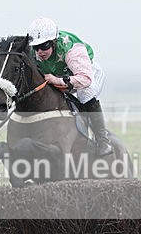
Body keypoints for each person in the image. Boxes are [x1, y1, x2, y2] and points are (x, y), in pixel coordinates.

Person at [27, 17, 114, 156]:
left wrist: (57, 80)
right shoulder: (34, 53)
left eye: (44, 46)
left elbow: (85, 79)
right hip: (61, 77)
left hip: (86, 76)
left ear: (54, 42)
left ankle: (103, 140)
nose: (40, 52)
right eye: (36, 47)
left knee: (84, 94)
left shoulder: (72, 49)